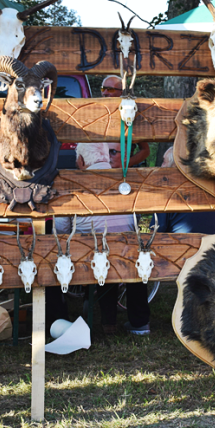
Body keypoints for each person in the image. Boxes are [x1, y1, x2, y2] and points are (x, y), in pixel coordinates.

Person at [47, 142, 151, 336]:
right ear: (106, 156)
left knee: (95, 249)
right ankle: (140, 324)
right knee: (124, 250)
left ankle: (99, 322)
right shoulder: (124, 182)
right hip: (128, 255)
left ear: (81, 160)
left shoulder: (74, 185)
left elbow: (61, 230)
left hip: (91, 257)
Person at [154, 148, 215, 235]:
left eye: (164, 161)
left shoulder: (167, 194)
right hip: (209, 246)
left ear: (175, 166)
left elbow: (154, 236)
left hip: (180, 247)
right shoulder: (209, 191)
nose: (161, 166)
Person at [101, 74, 150, 167]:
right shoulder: (93, 112)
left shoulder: (131, 114)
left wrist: (125, 164)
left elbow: (145, 150)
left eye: (110, 89)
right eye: (103, 89)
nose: (105, 93)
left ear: (122, 92)